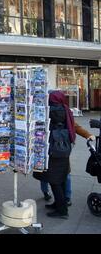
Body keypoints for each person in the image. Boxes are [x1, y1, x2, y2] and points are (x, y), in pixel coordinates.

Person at [33, 90, 77, 219]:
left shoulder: (52, 110)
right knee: (61, 178)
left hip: (53, 150)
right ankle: (59, 203)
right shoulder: (65, 109)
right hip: (63, 148)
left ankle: (62, 211)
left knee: (54, 180)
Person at [40, 122, 96, 206]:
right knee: (46, 170)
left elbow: (74, 125)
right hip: (54, 147)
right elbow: (75, 125)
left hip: (58, 147)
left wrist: (87, 134)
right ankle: (49, 192)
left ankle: (64, 196)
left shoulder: (63, 111)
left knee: (60, 172)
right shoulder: (58, 111)